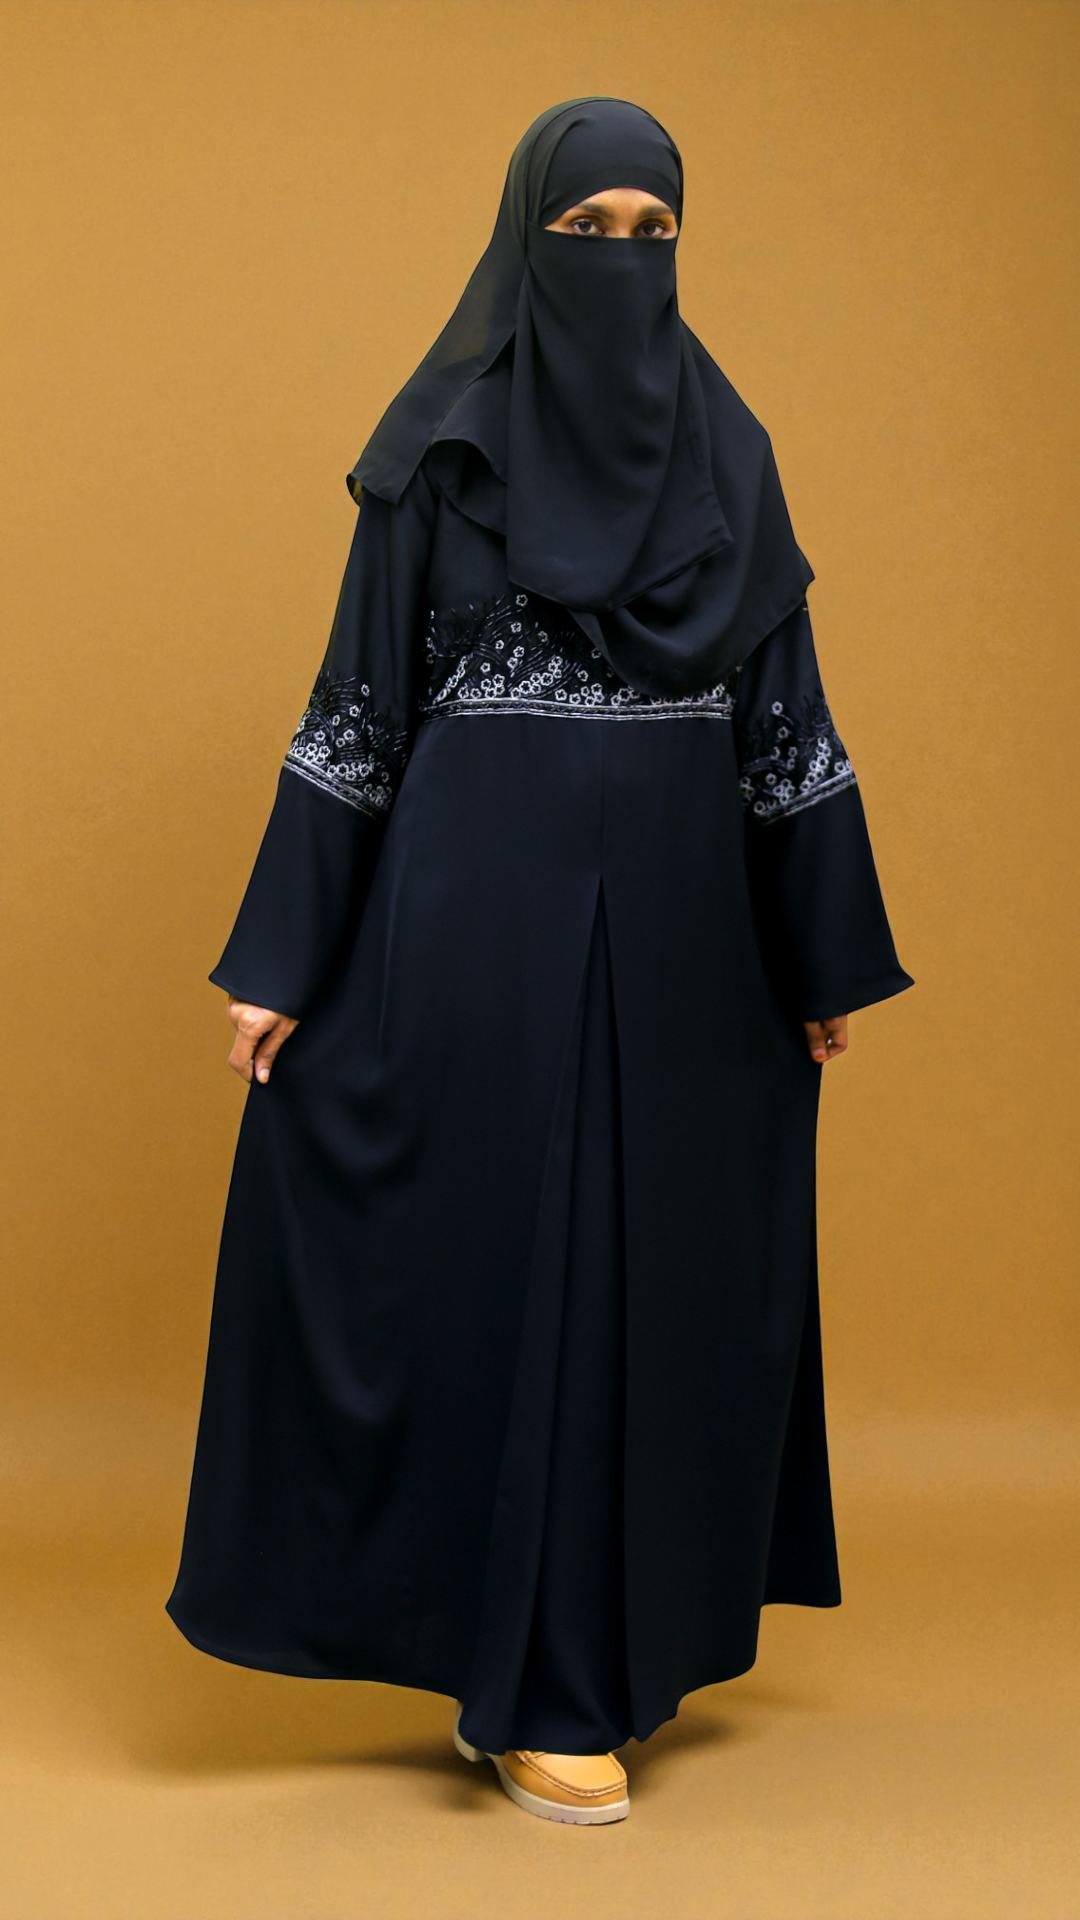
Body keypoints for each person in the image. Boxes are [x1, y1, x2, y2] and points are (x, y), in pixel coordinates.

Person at [165, 96, 914, 1827]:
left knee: (638, 1298)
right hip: (467, 941)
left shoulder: (729, 456)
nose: (622, 264)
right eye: (587, 234)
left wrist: (819, 948)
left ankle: (572, 1675)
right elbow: (357, 710)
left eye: (657, 234)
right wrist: (282, 959)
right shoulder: (443, 452)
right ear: (525, 240)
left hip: (685, 952)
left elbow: (786, 718)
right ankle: (516, 1679)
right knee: (488, 1284)